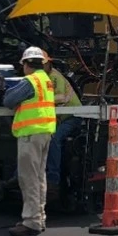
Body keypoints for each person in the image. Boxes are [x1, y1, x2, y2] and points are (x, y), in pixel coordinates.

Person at [3, 46, 57, 236]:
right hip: (44, 132)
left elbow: (8, 100)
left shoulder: (30, 81)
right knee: (39, 178)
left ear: (26, 64)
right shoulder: (46, 80)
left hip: (30, 134)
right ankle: (39, 217)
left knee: (28, 178)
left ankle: (32, 221)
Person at [41, 50, 83, 190]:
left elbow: (61, 98)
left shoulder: (54, 77)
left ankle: (53, 178)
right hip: (62, 118)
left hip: (72, 116)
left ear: (49, 63)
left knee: (54, 139)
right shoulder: (43, 78)